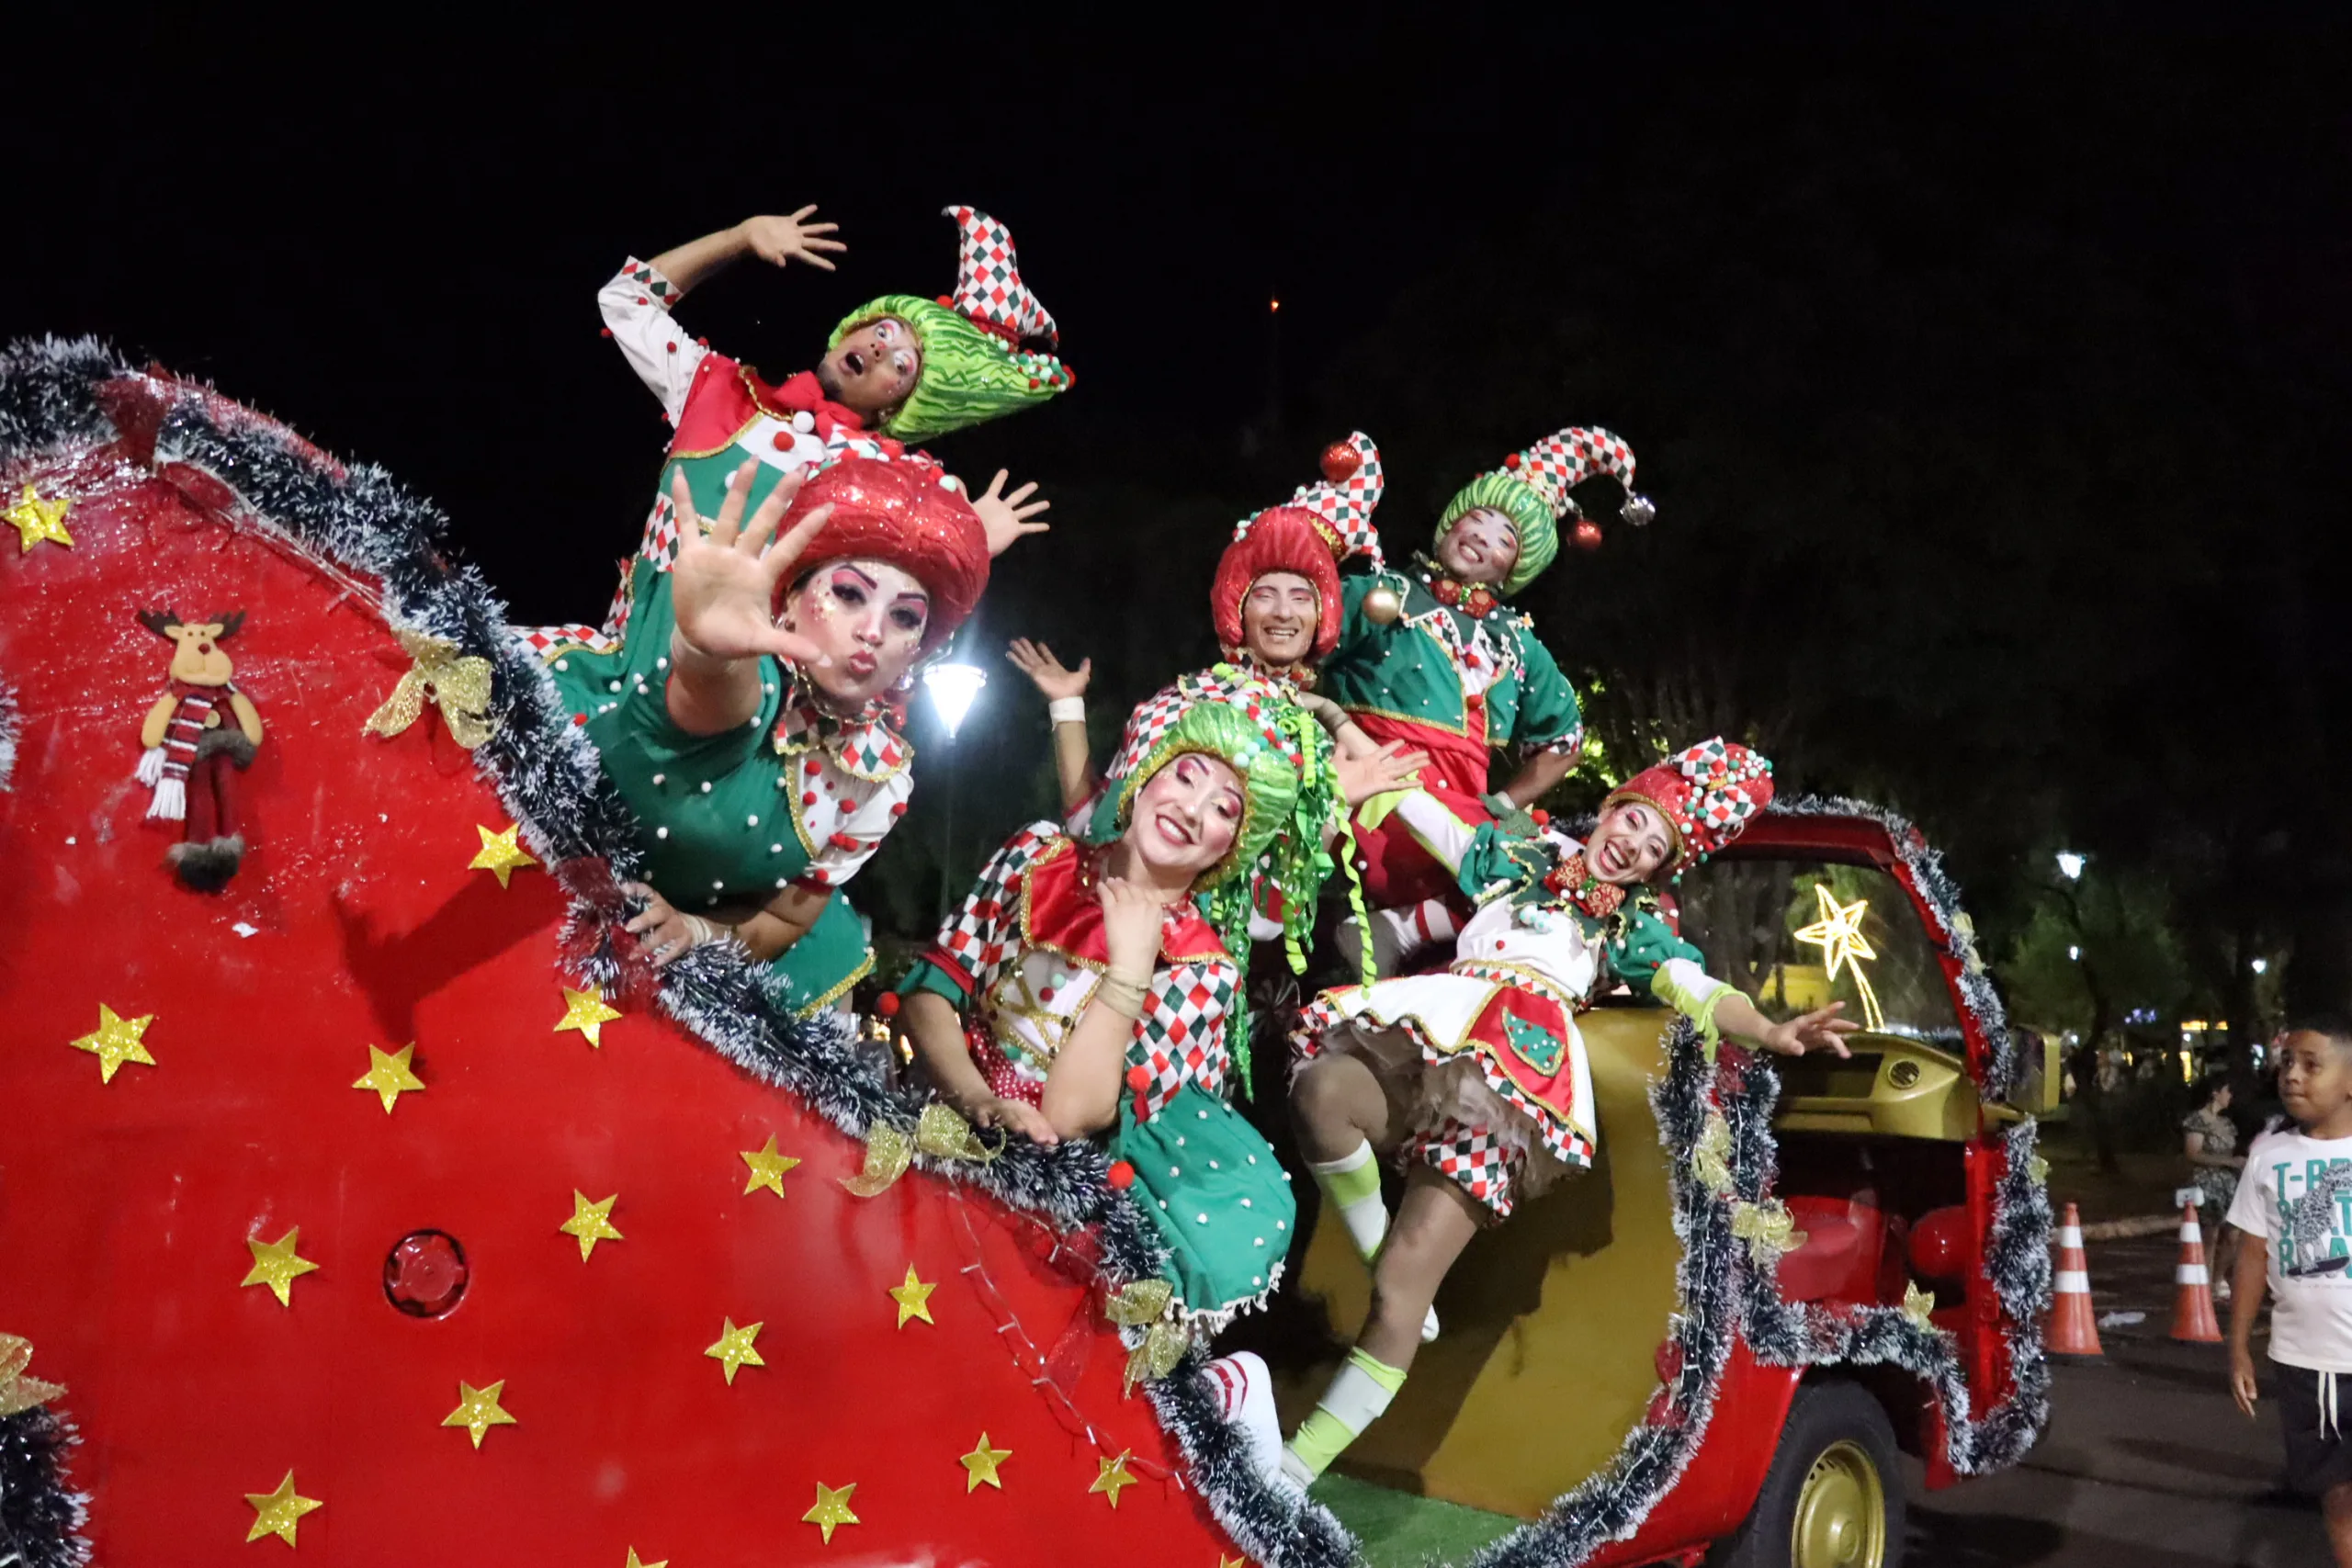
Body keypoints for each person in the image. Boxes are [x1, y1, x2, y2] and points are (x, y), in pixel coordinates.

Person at [1273, 739, 1856, 1493]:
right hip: (1428, 1036)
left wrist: (1771, 1030)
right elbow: (1420, 807)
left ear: (1654, 870)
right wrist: (1344, 750)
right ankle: (1375, 1244)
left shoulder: (1632, 928)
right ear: (1612, 808)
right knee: (1320, 1093)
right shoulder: (1517, 853)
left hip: (1504, 1093)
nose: (1633, 846)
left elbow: (1701, 990)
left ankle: (1291, 1473)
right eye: (1635, 822)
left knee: (1399, 1290)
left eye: (1654, 849)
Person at [896, 696, 1312, 1348]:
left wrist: (1131, 970)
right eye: (1185, 777)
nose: (1192, 809)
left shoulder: (1204, 972)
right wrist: (975, 1096)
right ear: (1144, 778)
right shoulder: (1037, 854)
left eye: (1224, 809)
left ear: (1229, 848)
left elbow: (1067, 1115)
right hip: (927, 1123)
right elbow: (930, 993)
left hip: (1040, 1217)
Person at [547, 453, 1023, 1017]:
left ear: (919, 648)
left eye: (904, 617)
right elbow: (716, 697)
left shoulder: (879, 779)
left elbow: (781, 921)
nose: (872, 631)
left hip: (642, 959)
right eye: (849, 594)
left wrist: (695, 930)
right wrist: (705, 653)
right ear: (791, 602)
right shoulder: (761, 681)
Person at [524, 203, 1066, 657]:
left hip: (743, 718)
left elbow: (896, 606)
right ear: (849, 330)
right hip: (617, 674)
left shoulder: (882, 475)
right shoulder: (717, 388)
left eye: (902, 366)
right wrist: (737, 239)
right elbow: (624, 301)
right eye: (883, 331)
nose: (882, 349)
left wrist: (969, 538)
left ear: (900, 408)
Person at [1005, 433, 1423, 966]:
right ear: (1239, 610)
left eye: (1301, 598)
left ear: (1322, 617)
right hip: (1087, 924)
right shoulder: (1182, 698)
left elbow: (1267, 917)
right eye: (1266, 595)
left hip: (1190, 967)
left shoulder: (1313, 742)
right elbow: (1091, 823)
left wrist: (1332, 802)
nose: (1283, 612)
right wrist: (1067, 708)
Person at [1318, 426, 1650, 919]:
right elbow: (1296, 642)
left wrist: (1505, 804)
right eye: (1475, 519)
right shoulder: (1384, 593)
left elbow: (1565, 740)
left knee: (1562, 873)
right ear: (1450, 525)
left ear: (1517, 567)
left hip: (1463, 822)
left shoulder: (1516, 642)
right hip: (1372, 800)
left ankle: (1417, 929)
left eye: (1504, 539)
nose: (1480, 535)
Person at [2227, 1013, 2352, 1566]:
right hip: (2308, 1363)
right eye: (2287, 1064)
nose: (2293, 1076)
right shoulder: (2269, 1155)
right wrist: (2237, 1345)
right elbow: (2252, 1254)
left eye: (2311, 1065)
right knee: (2338, 1493)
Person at [2184, 1072, 2245, 1297]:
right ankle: (2205, 1285)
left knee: (2233, 1236)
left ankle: (2217, 1280)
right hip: (2207, 1183)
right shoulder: (2197, 1121)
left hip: (2228, 1183)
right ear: (2215, 1093)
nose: (2230, 1096)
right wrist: (2228, 1161)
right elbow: (2193, 1153)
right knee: (2210, 1235)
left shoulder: (2226, 1123)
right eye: (2227, 1091)